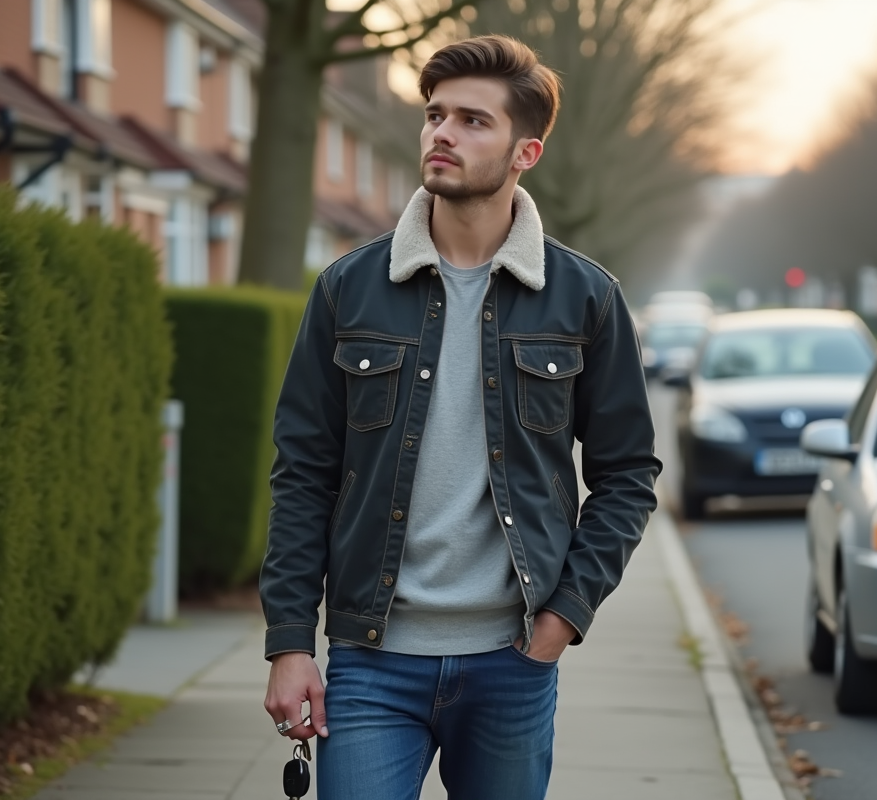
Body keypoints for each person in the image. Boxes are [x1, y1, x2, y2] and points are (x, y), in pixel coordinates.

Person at [261, 34, 661, 800]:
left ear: (526, 152)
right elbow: (303, 475)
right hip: (370, 660)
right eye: (435, 114)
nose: (442, 133)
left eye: (474, 121)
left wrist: (563, 619)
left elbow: (627, 476)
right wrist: (289, 643)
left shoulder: (586, 298)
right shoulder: (348, 289)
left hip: (513, 660)